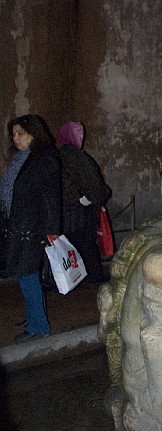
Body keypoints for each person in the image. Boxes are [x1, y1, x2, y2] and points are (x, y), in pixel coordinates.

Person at [0, 115, 61, 341]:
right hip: (18, 226)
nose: (16, 138)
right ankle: (32, 317)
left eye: (21, 134)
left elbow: (51, 197)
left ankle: (39, 326)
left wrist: (51, 230)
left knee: (28, 276)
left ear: (34, 134)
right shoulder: (21, 158)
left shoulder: (43, 159)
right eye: (14, 134)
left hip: (33, 229)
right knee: (23, 275)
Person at [56, 121, 111, 283]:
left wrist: (79, 198)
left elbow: (63, 183)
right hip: (84, 211)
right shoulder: (81, 157)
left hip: (71, 213)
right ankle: (93, 277)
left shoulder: (61, 157)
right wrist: (88, 198)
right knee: (87, 245)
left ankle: (77, 279)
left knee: (74, 247)